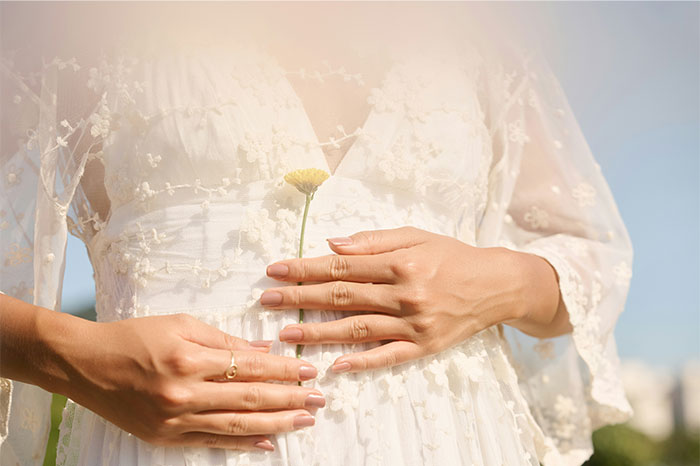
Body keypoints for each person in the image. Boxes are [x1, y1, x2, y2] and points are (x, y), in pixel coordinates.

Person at [0, 3, 634, 465]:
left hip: (456, 439)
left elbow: (589, 255)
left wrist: (503, 283)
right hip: (176, 449)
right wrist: (71, 357)